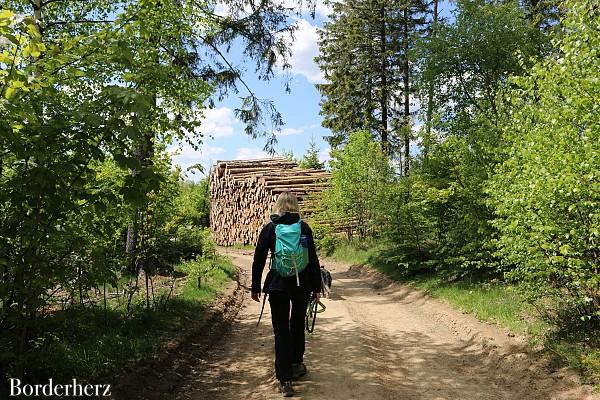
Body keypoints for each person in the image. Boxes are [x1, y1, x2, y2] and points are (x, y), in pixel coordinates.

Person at [251, 191, 322, 398]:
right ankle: (296, 364)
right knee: (297, 324)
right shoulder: (304, 227)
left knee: (281, 330)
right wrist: (317, 288)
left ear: (278, 205)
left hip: (278, 286)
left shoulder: (271, 227)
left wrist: (255, 287)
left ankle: (284, 380)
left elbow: (259, 259)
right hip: (302, 285)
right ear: (295, 206)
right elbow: (313, 260)